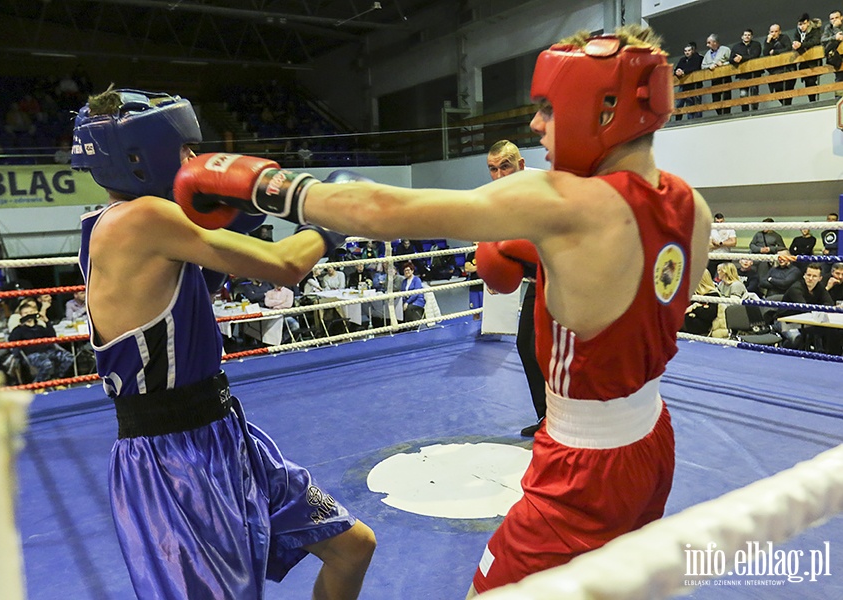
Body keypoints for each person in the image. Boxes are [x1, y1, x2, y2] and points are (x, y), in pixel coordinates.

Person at [173, 25, 711, 595]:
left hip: (583, 465)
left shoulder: (565, 202)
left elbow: (387, 208)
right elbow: (627, 313)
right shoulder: (691, 206)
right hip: (651, 439)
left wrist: (268, 185)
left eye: (549, 109)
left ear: (599, 108)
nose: (536, 126)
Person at [70, 86, 375, 599]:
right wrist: (335, 216)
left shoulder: (110, 227)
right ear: (139, 155)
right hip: (172, 462)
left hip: (227, 435)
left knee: (352, 546)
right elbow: (285, 265)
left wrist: (237, 218)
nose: (193, 159)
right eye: (184, 149)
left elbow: (187, 299)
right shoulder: (143, 219)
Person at [481, 140, 547, 438]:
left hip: (565, 281)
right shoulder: (497, 198)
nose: (498, 175)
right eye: (493, 169)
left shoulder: (542, 188)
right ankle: (547, 417)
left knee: (549, 351)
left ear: (520, 165)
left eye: (504, 167)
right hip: (537, 281)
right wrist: (493, 272)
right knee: (525, 345)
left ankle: (572, 421)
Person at [7, 303, 74, 383]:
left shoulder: (40, 327)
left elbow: (52, 337)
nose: (29, 315)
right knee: (47, 364)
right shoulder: (19, 330)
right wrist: (20, 325)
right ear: (21, 315)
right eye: (26, 313)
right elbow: (11, 340)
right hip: (32, 354)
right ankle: (38, 384)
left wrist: (46, 321)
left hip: (48, 351)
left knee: (69, 357)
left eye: (31, 312)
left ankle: (56, 379)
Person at [793, 13, 823, 102]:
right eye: (799, 24)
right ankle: (811, 100)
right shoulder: (797, 32)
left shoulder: (815, 30)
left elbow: (815, 41)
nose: (801, 27)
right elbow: (795, 39)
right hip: (803, 61)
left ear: (808, 22)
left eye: (803, 24)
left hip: (814, 61)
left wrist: (801, 45)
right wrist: (795, 44)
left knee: (811, 81)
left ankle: (813, 101)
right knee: (807, 82)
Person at [730, 29, 762, 111]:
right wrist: (735, 60)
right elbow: (730, 59)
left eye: (748, 35)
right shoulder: (736, 47)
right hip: (742, 73)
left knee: (754, 92)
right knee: (743, 94)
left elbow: (755, 55)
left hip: (754, 73)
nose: (747, 36)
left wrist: (742, 58)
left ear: (752, 36)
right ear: (742, 37)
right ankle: (745, 111)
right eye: (745, 35)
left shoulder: (756, 44)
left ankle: (755, 111)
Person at [681, 270, 721, 336]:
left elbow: (710, 314)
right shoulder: (692, 294)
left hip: (704, 325)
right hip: (691, 322)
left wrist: (694, 308)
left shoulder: (713, 294)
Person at [764, 24, 795, 106]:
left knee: (788, 92)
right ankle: (785, 106)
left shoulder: (784, 38)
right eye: (772, 32)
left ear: (780, 32)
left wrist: (775, 52)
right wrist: (768, 41)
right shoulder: (768, 40)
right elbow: (765, 54)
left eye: (776, 31)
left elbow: (788, 48)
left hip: (787, 69)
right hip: (775, 71)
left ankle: (787, 107)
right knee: (778, 92)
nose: (773, 33)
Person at [702, 34, 731, 115]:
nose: (707, 45)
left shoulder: (725, 49)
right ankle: (720, 115)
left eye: (709, 42)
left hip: (725, 77)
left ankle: (727, 115)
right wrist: (710, 66)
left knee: (726, 97)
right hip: (714, 79)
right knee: (716, 99)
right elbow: (703, 66)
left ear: (714, 42)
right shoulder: (708, 54)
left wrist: (723, 64)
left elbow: (731, 61)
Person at [673, 42, 703, 120]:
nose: (687, 52)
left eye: (689, 50)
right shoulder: (682, 60)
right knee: (683, 104)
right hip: (684, 85)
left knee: (696, 104)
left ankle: (697, 120)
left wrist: (684, 71)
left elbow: (695, 67)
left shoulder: (697, 58)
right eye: (685, 51)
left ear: (692, 51)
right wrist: (677, 71)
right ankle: (679, 120)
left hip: (695, 85)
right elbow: (677, 68)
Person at [708, 212, 736, 277]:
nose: (719, 224)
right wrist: (726, 242)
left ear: (724, 220)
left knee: (727, 276)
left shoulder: (729, 228)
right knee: (709, 276)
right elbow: (710, 245)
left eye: (721, 222)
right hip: (713, 257)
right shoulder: (710, 229)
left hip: (725, 256)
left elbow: (733, 243)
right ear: (714, 222)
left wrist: (719, 243)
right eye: (717, 222)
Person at [822, 10, 843, 90]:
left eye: (837, 17)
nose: (834, 20)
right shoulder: (828, 27)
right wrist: (835, 37)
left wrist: (836, 28)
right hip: (836, 58)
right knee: (839, 80)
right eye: (832, 18)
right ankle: (838, 99)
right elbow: (823, 40)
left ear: (841, 18)